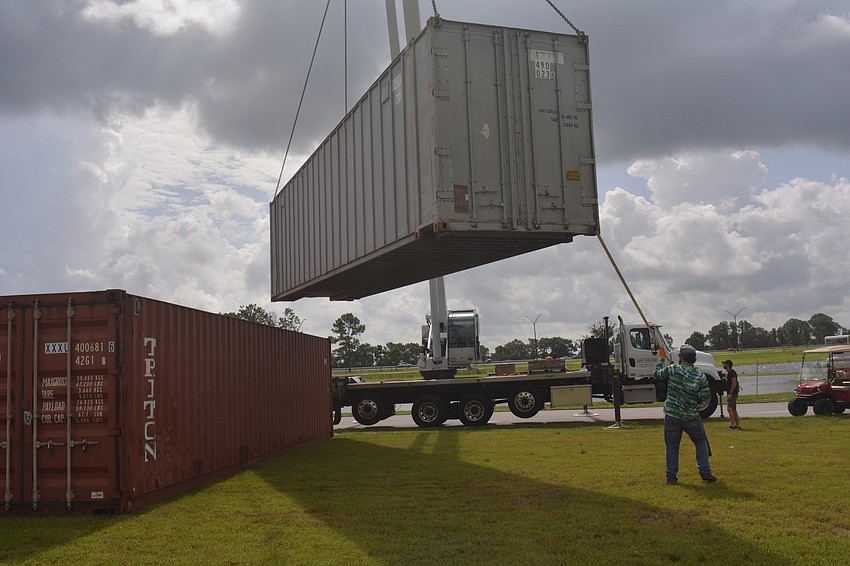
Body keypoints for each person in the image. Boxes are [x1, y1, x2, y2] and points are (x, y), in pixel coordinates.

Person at [653, 344, 717, 484]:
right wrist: (696, 401)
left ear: (681, 358)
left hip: (672, 415)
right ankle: (705, 472)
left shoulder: (674, 369)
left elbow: (656, 375)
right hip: (691, 416)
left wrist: (661, 359)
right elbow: (706, 397)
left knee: (672, 447)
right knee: (700, 441)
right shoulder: (700, 376)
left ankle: (671, 477)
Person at [723, 360, 741, 429]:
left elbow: (734, 382)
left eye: (724, 363)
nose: (723, 365)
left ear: (727, 364)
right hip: (732, 393)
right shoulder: (729, 373)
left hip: (733, 393)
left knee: (729, 408)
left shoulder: (731, 372)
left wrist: (730, 393)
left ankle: (732, 425)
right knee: (733, 409)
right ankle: (737, 425)